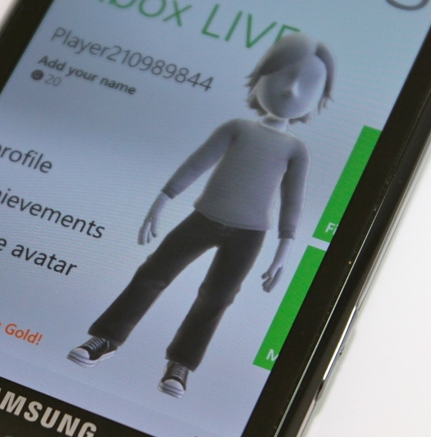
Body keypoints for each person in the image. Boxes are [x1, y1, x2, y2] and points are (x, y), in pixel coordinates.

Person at [68, 33, 335, 397]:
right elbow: (198, 163)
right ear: (260, 77)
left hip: (249, 233)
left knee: (217, 298)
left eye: (309, 84)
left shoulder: (296, 149)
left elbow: (293, 202)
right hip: (204, 218)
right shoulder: (237, 129)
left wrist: (282, 252)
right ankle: (106, 339)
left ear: (319, 98)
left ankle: (180, 365)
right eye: (282, 75)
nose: (291, 90)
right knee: (152, 274)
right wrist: (162, 201)